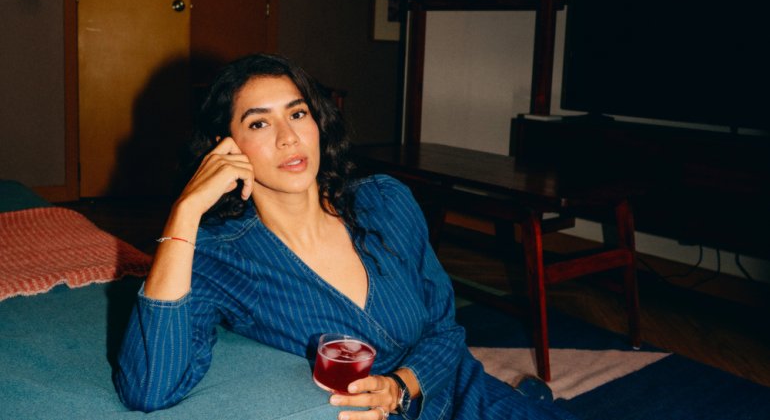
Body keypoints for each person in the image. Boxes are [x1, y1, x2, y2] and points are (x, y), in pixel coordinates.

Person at [114, 53, 576, 420]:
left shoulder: (385, 201)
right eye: (259, 123)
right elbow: (149, 388)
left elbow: (445, 331)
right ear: (225, 147)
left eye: (298, 113)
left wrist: (399, 386)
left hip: (454, 389)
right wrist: (185, 213)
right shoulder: (220, 255)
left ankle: (528, 400)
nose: (288, 137)